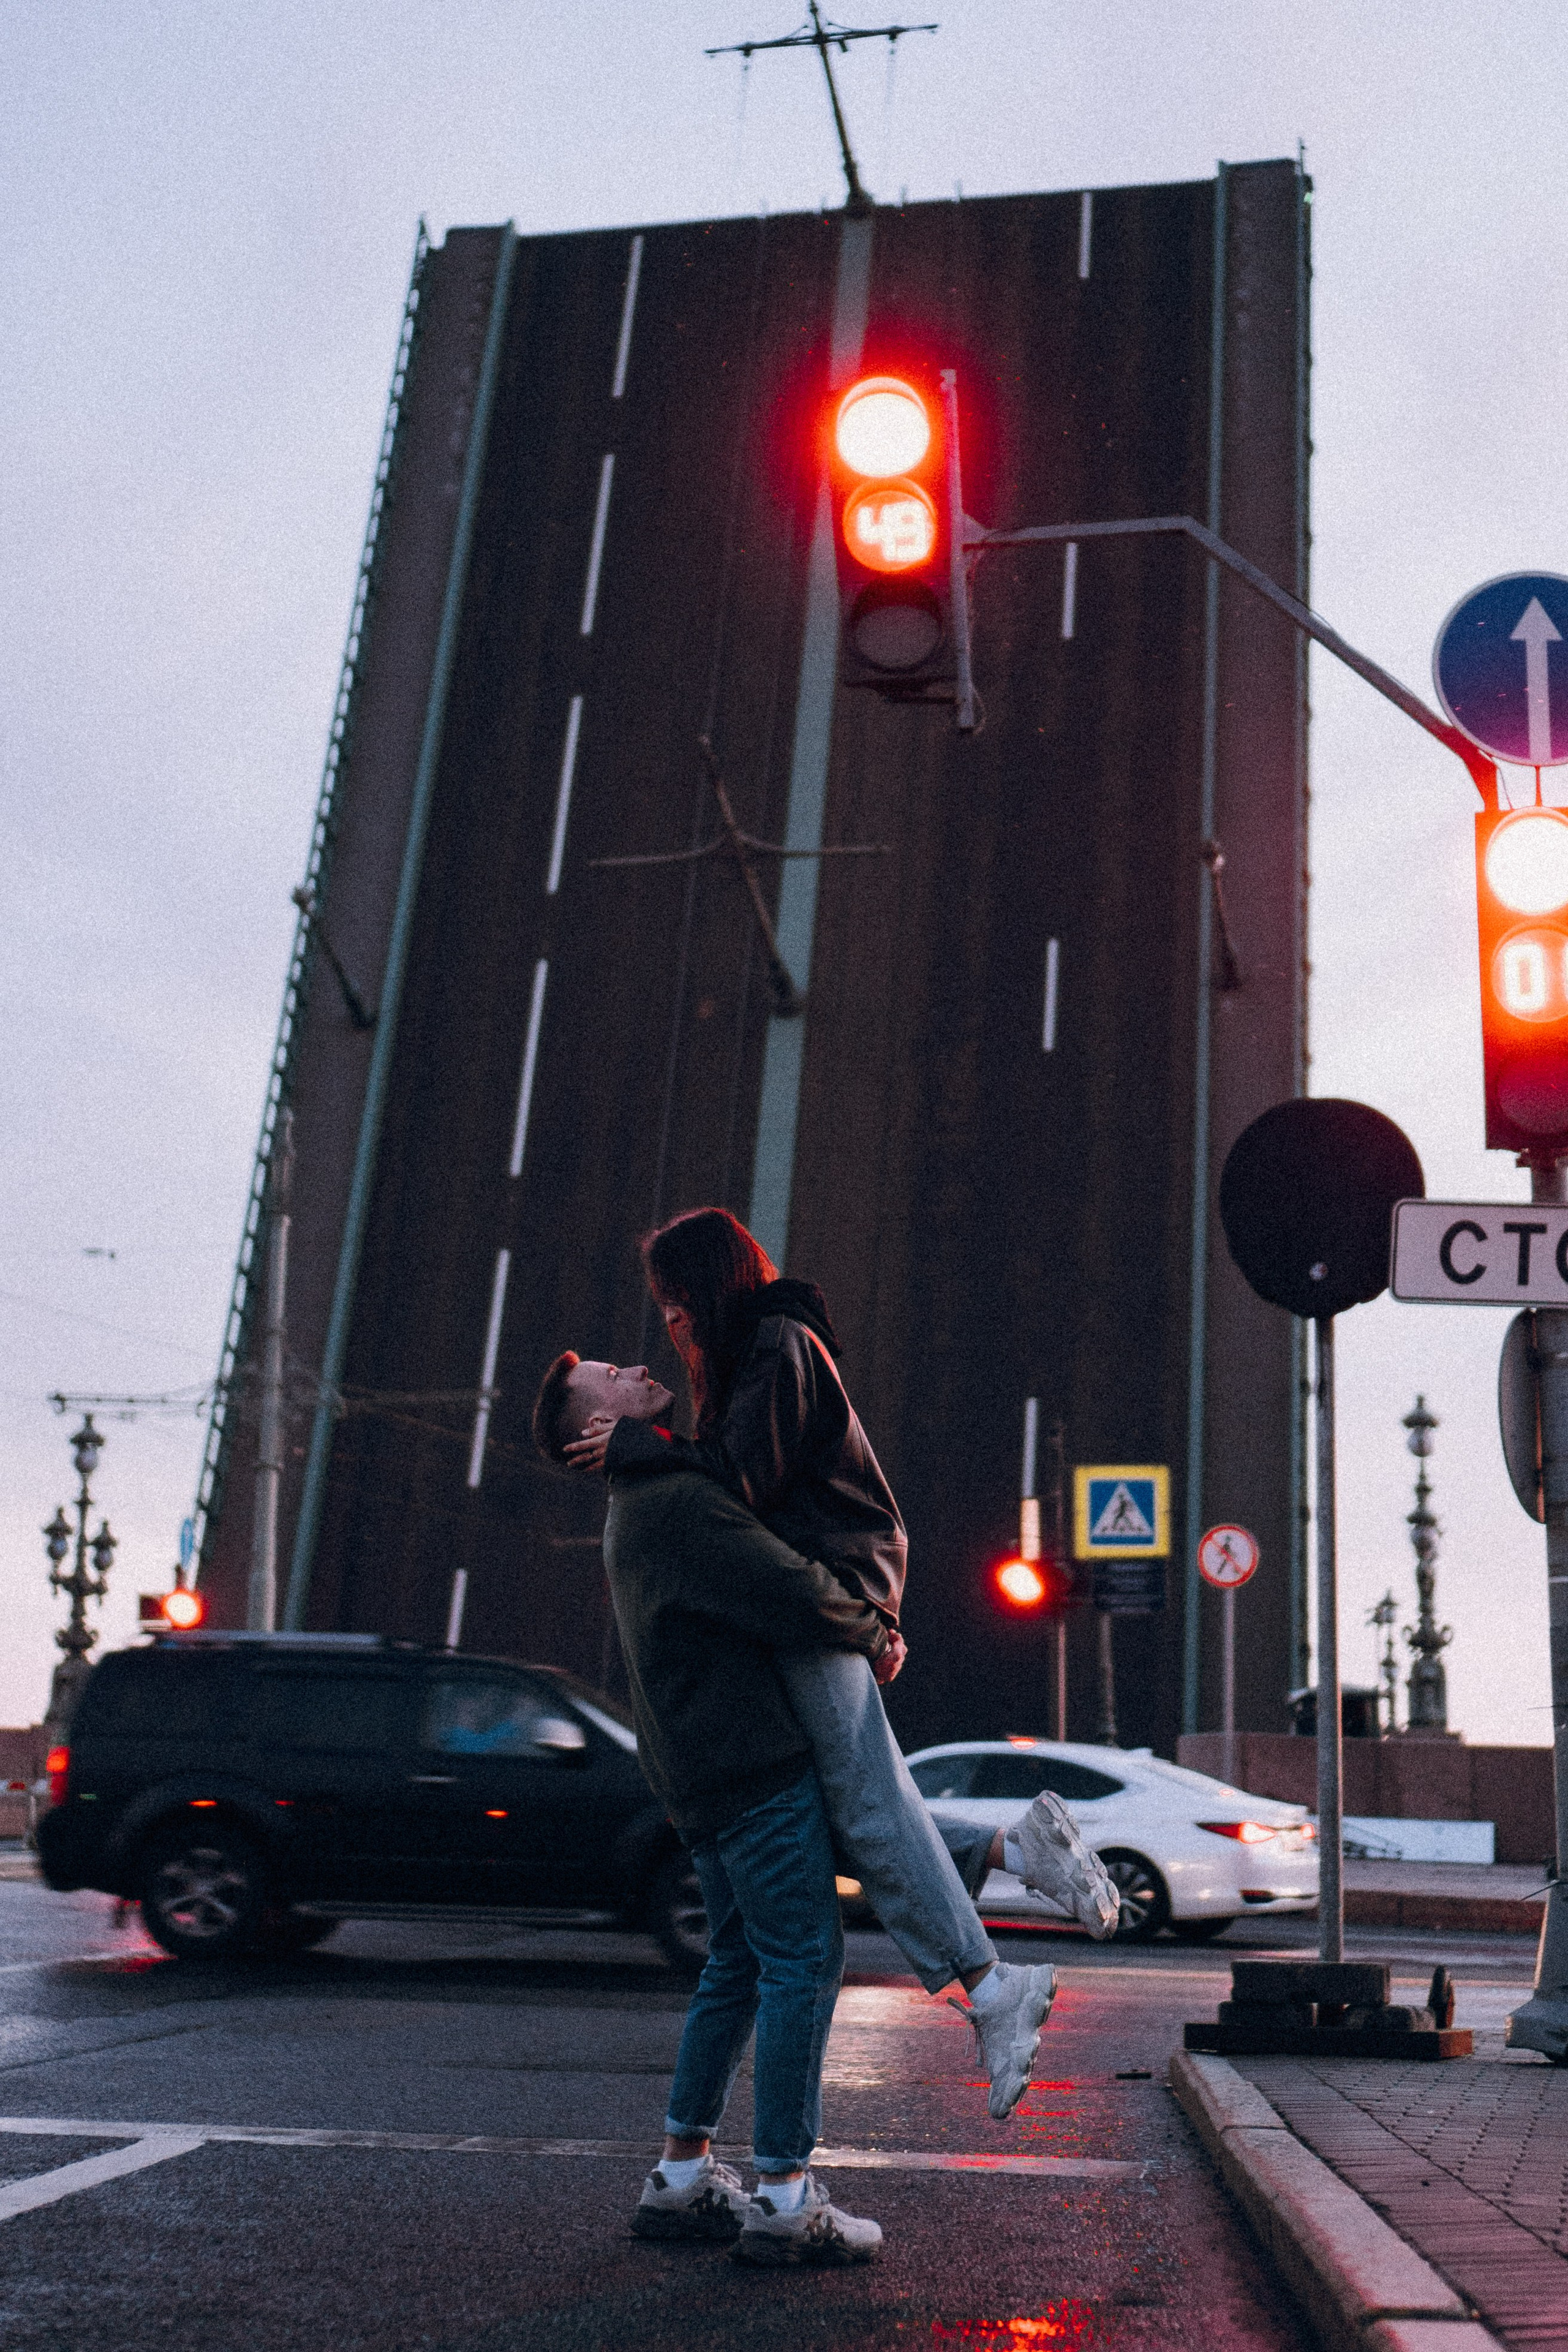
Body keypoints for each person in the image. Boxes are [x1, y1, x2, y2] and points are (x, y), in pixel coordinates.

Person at [533, 1350, 886, 2265]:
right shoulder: (672, 1501)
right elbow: (792, 1590)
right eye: (612, 1373)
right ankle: (783, 2196)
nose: (639, 1364)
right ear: (593, 1428)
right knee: (804, 1961)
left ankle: (682, 2175)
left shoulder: (639, 1499)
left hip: (697, 1775)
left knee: (734, 1963)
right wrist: (877, 1630)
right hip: (750, 1766)